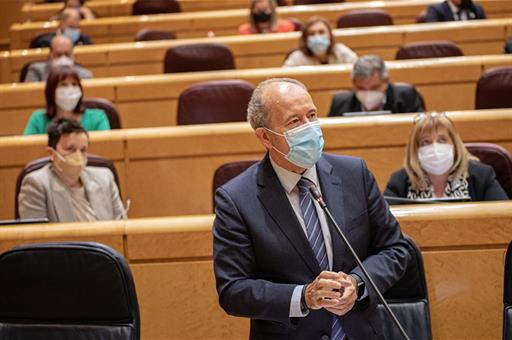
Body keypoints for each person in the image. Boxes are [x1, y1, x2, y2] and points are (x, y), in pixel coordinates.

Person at [213, 78, 410, 339]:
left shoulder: (354, 174)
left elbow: (396, 248)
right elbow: (233, 290)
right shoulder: (236, 199)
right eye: (294, 121)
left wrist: (357, 282)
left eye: (312, 115)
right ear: (265, 136)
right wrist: (304, 297)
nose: (310, 127)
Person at [18, 118, 126, 222]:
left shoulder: (105, 178)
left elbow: (122, 226)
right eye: (71, 149)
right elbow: (36, 237)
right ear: (52, 153)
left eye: (83, 150)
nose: (78, 156)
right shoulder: (36, 184)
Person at [384, 112, 508, 202]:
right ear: (416, 150)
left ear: (454, 144)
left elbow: (502, 219)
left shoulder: (482, 176)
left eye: (442, 140)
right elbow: (384, 224)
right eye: (425, 142)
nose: (435, 147)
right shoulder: (399, 182)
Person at [328, 55, 425, 116]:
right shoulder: (340, 103)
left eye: (375, 88)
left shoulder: (407, 96)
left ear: (386, 81)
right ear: (353, 84)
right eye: (361, 88)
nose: (368, 94)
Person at [24, 65, 109, 135]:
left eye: (74, 84)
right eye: (63, 85)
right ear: (51, 91)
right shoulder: (38, 120)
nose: (70, 89)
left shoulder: (97, 118)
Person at [283, 16, 357, 67]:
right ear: (306, 39)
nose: (317, 37)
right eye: (312, 34)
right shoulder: (297, 57)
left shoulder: (341, 51)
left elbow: (357, 66)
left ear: (330, 35)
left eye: (321, 32)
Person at [24, 35, 93, 83]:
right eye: (58, 55)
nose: (63, 58)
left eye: (67, 54)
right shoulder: (36, 71)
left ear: (73, 56)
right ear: (50, 55)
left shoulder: (85, 75)